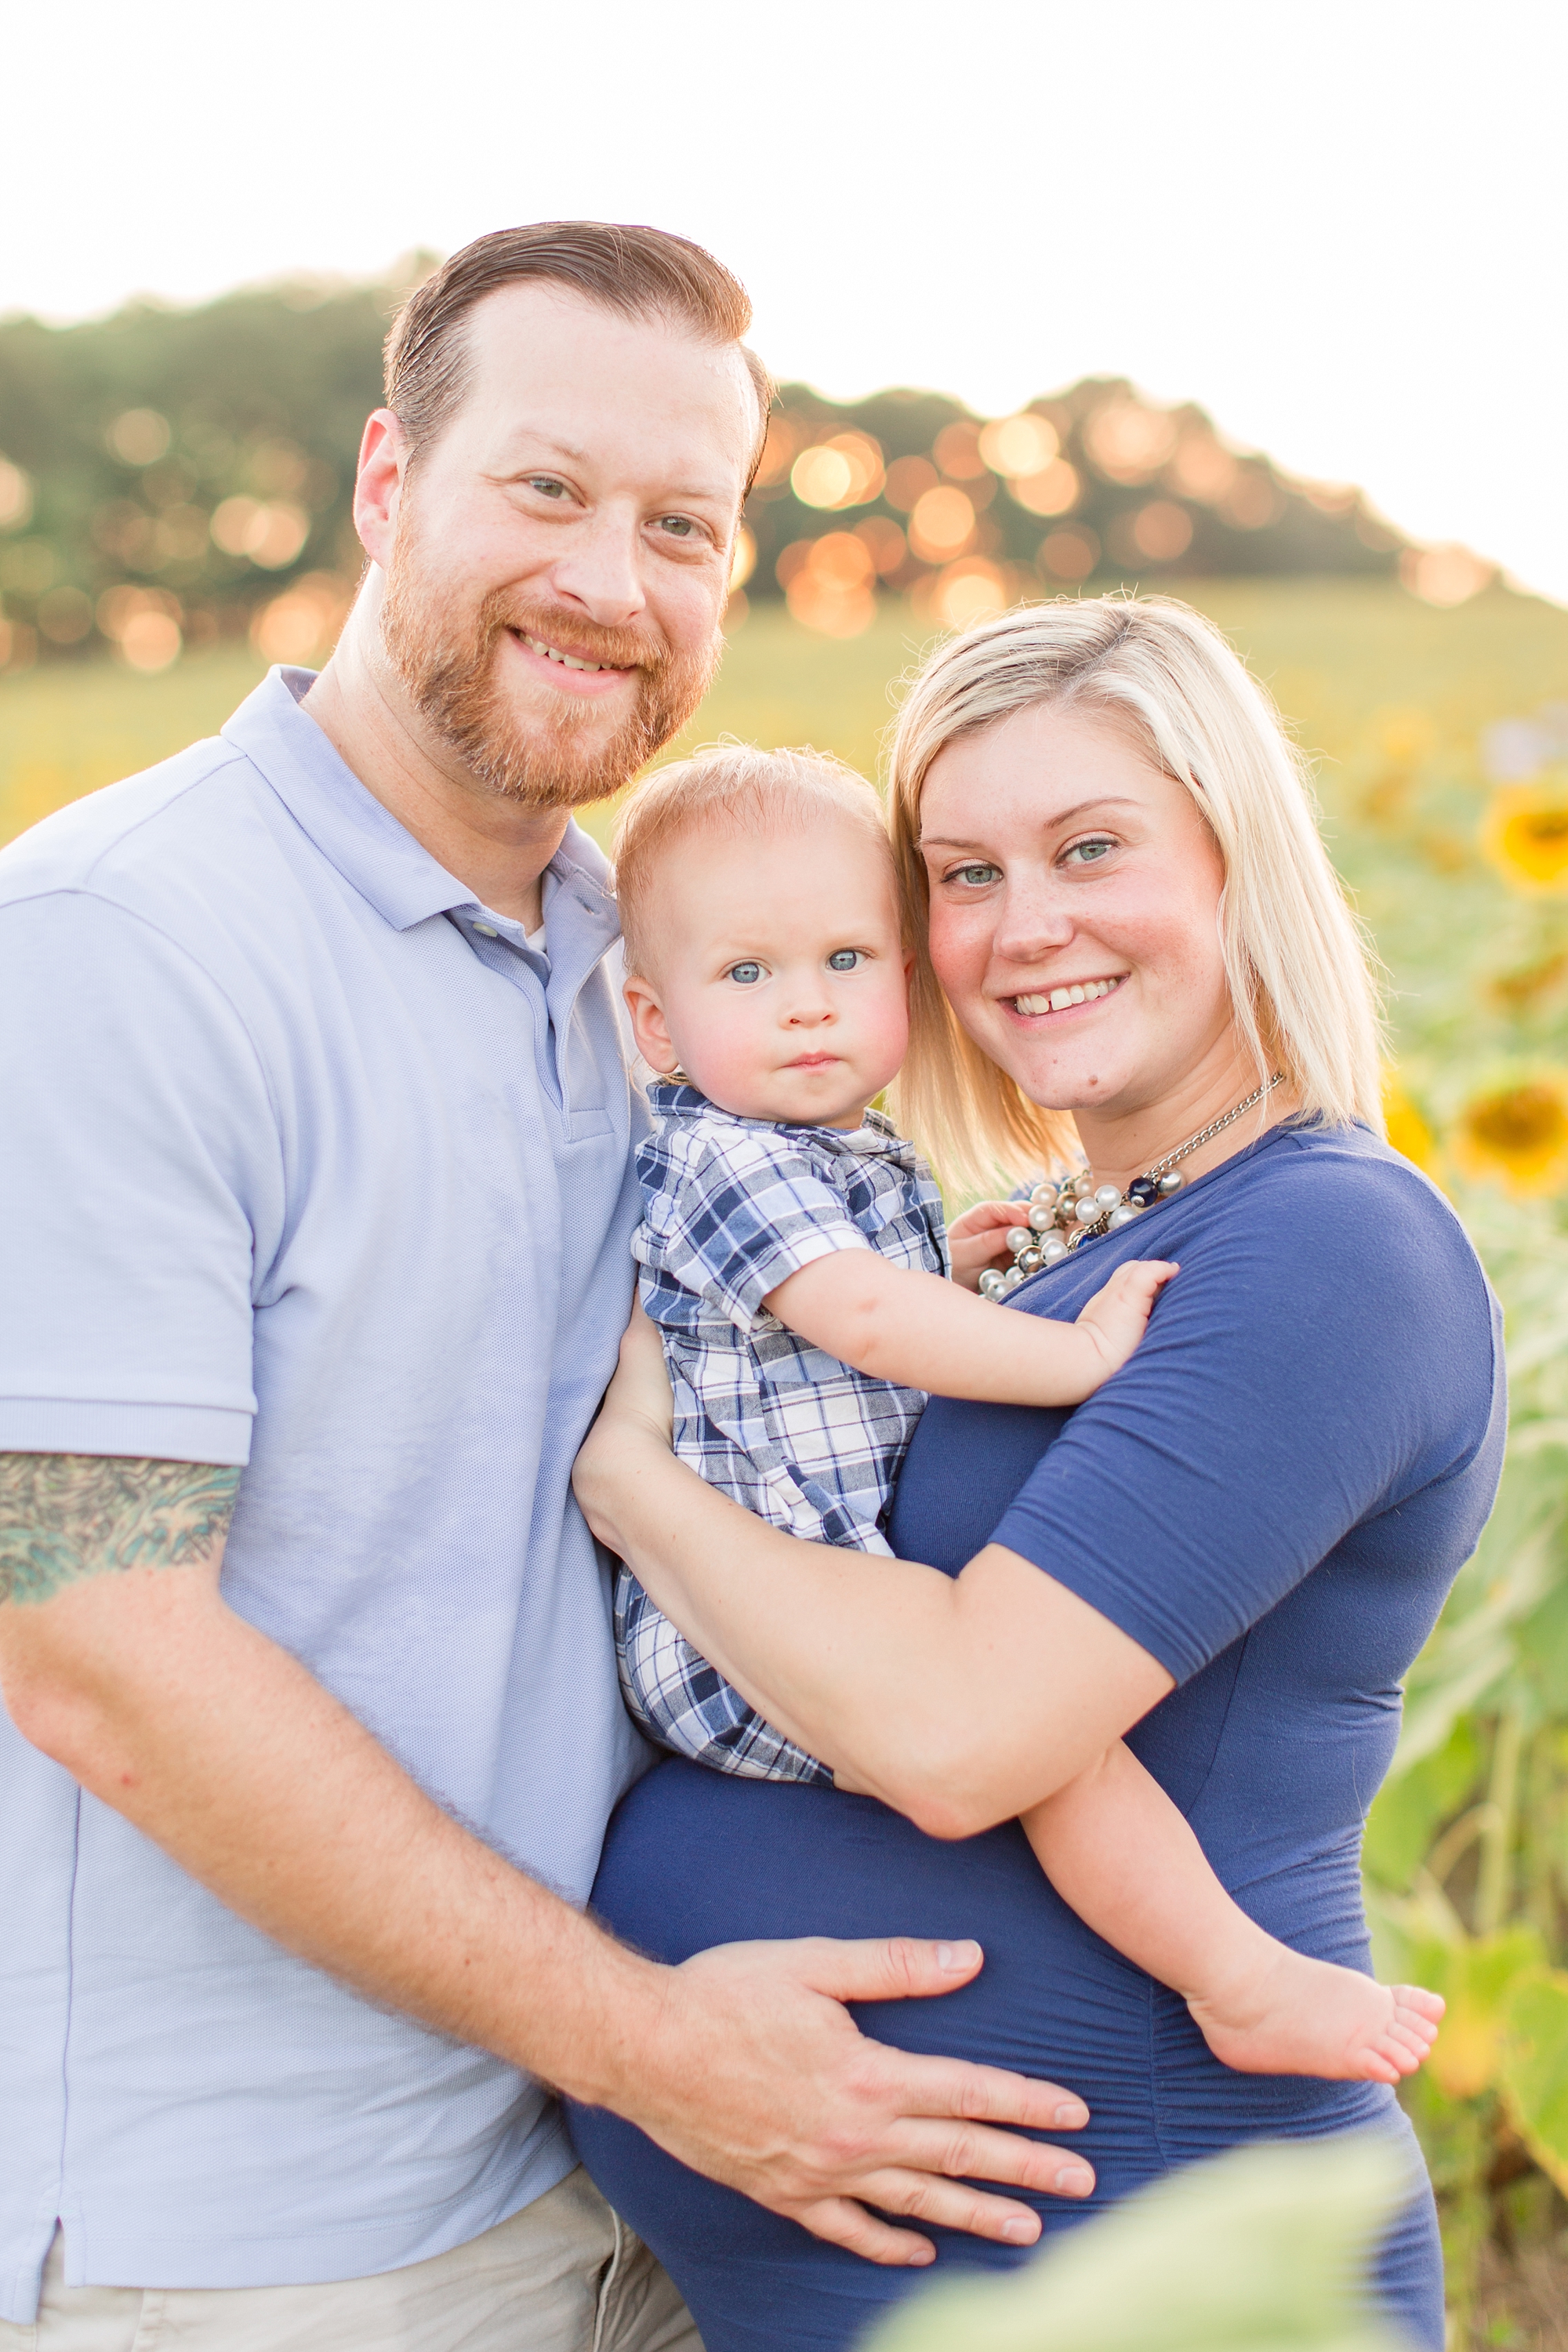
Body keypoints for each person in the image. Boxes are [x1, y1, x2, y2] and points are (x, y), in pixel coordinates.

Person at [0, 224, 1094, 2352]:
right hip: (269, 2248)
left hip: (624, 2178)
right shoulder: (114, 947)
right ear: (388, 486)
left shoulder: (644, 969)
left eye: (684, 523)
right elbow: (91, 1650)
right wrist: (660, 2050)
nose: (617, 576)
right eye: (548, 489)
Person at [568, 596, 1507, 2352]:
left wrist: (632, 1489)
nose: (1025, 928)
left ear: (1237, 861)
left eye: (1090, 849)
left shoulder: (1323, 1245)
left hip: (1153, 2252)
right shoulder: (1057, 1250)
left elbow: (956, 1740)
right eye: (963, 872)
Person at [604, 735, 1443, 2089]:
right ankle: (1233, 1976)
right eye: (748, 975)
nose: (806, 1008)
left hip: (1112, 2191)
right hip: (748, 1621)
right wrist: (1072, 1348)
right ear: (655, 1023)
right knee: (1071, 1766)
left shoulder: (1328, 1243)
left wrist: (942, 1282)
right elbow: (861, 1328)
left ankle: (1237, 1981)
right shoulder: (729, 1153)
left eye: (845, 961)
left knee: (1054, 1753)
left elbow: (842, 1342)